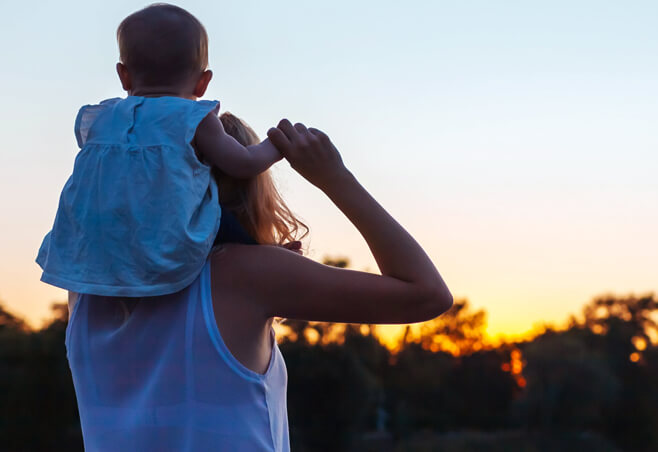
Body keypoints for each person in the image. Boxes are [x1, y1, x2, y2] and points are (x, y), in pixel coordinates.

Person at [65, 114, 453, 451]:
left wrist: (266, 273)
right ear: (249, 190)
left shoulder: (83, 287)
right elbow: (426, 294)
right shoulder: (249, 276)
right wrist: (335, 177)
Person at [36, 3, 282, 297]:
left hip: (93, 241)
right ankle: (271, 257)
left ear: (123, 75)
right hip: (165, 239)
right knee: (216, 211)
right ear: (203, 83)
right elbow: (241, 163)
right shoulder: (193, 117)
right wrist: (278, 144)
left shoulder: (101, 117)